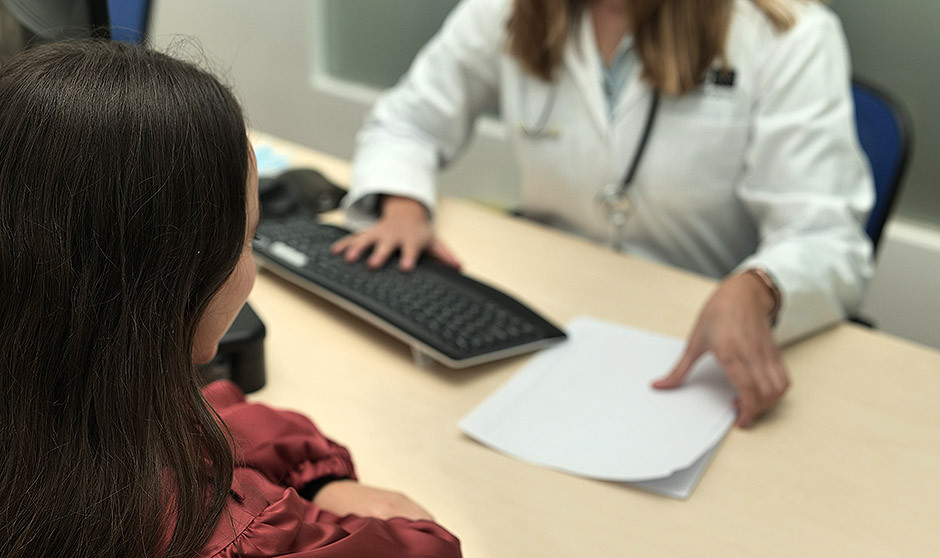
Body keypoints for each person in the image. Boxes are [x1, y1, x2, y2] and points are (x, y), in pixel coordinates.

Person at [0, 40, 461, 558]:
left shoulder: (61, 408)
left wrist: (314, 474)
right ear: (175, 281)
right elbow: (427, 547)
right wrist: (325, 494)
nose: (251, 272)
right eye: (248, 240)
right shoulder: (222, 538)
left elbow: (206, 418)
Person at [332, 0, 875, 428]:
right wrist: (403, 204)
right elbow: (408, 121)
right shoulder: (506, 10)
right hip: (546, 326)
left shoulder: (788, 34)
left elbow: (826, 235)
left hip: (696, 349)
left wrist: (761, 286)